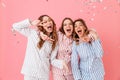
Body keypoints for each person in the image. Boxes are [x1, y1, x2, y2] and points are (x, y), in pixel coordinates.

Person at [12, 15, 58, 80]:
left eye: (50, 20)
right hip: (30, 72)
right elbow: (15, 26)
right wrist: (31, 22)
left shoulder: (53, 40)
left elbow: (52, 59)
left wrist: (62, 64)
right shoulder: (32, 33)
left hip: (44, 74)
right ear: (40, 24)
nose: (49, 22)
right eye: (45, 22)